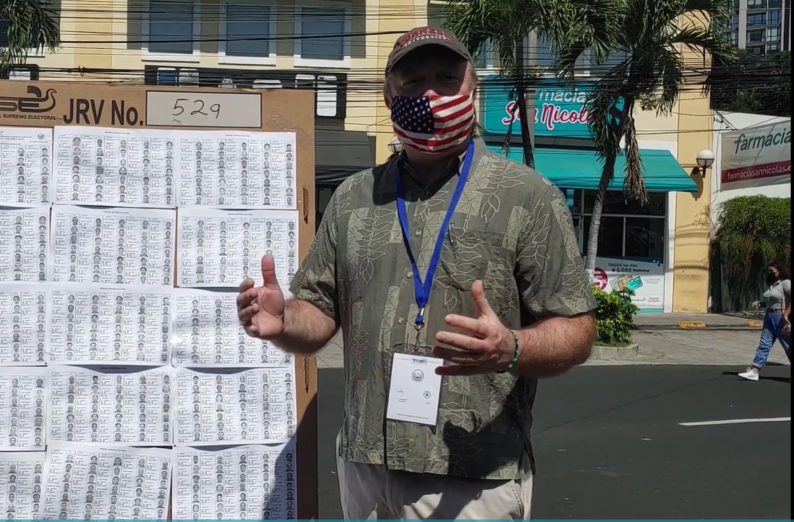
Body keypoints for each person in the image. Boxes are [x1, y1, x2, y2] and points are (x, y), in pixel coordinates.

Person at [237, 27, 596, 520]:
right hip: (365, 465)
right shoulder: (354, 198)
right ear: (389, 96)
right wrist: (285, 323)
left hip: (472, 474)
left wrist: (511, 348)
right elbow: (318, 313)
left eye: (446, 79)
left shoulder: (527, 198)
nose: (430, 94)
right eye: (413, 81)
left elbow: (576, 328)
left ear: (473, 91)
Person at [739, 262, 791, 381]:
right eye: (769, 271)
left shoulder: (786, 283)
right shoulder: (772, 284)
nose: (770, 273)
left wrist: (786, 314)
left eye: (772, 270)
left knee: (788, 346)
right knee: (764, 343)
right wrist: (760, 303)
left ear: (780, 270)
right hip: (769, 315)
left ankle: (755, 370)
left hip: (780, 317)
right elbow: (771, 301)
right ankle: (755, 371)